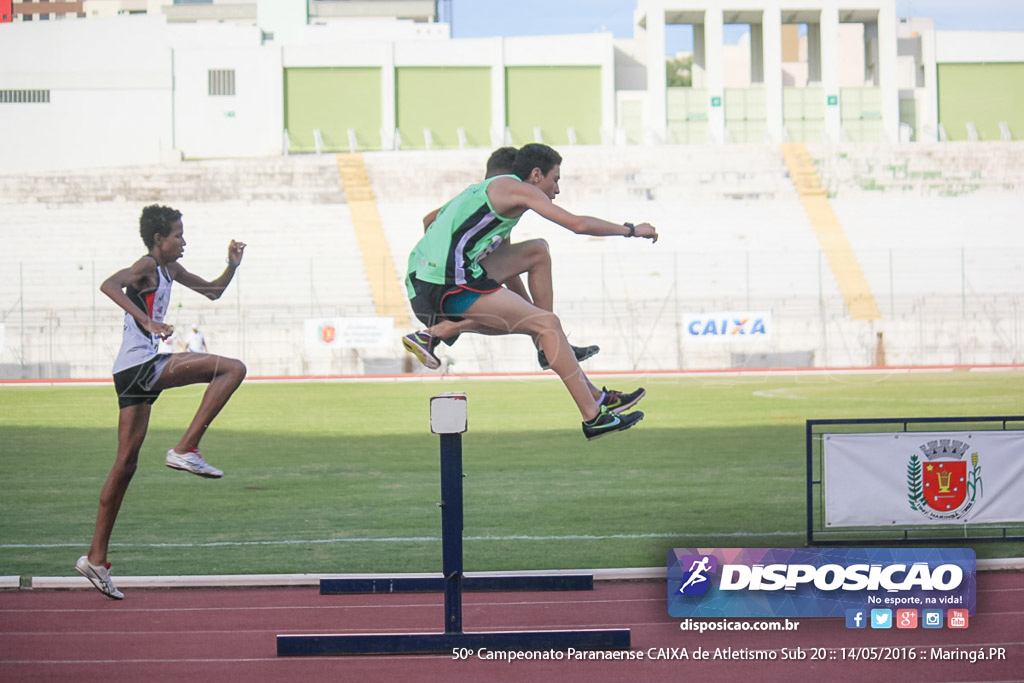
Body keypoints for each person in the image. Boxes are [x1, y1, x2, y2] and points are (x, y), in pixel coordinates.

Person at [403, 143, 658, 440]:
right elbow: (576, 224)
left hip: (429, 280)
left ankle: (442, 335)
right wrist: (630, 230)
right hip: (442, 283)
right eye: (555, 179)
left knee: (538, 254)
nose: (557, 189)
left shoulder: (490, 200)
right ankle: (593, 416)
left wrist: (542, 330)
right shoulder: (516, 190)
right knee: (548, 325)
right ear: (536, 175)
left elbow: (430, 222)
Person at [75, 204, 247, 599]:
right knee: (232, 369)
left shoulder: (171, 270)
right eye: (178, 235)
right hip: (142, 364)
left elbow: (212, 291)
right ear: (158, 240)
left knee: (125, 465)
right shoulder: (147, 264)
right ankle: (185, 447)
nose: (183, 241)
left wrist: (231, 266)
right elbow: (109, 285)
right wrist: (147, 321)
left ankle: (95, 559)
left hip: (130, 371)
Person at [412, 146, 599, 371]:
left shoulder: (494, 218)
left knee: (524, 313)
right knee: (519, 316)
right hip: (435, 282)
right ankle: (439, 331)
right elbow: (428, 221)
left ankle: (548, 348)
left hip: (443, 277)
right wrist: (442, 262)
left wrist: (541, 323)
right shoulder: (486, 204)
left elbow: (512, 278)